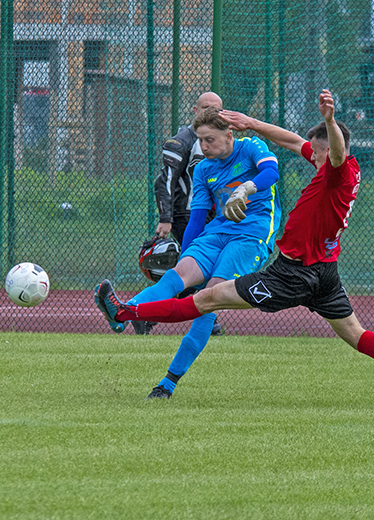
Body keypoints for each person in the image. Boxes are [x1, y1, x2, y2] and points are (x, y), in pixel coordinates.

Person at [95, 89, 374, 408]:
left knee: (206, 300)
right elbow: (292, 141)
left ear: (330, 151)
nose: (308, 156)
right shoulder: (333, 165)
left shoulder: (337, 169)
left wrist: (329, 120)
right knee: (356, 334)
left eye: (316, 153)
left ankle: (126, 315)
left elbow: (333, 152)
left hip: (292, 273)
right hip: (325, 271)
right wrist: (253, 122)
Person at [95, 106, 283, 399]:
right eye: (200, 141)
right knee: (176, 276)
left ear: (229, 134)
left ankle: (167, 383)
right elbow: (197, 216)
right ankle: (121, 312)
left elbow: (271, 172)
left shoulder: (251, 148)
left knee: (210, 295)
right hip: (217, 232)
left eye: (210, 140)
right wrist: (188, 251)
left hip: (252, 234)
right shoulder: (204, 169)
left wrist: (247, 188)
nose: (204, 147)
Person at [132, 92, 224, 336]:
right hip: (188, 215)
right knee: (197, 269)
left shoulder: (224, 139)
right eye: (205, 108)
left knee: (199, 270)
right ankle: (204, 321)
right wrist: (166, 218)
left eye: (216, 109)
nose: (210, 113)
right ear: (195, 110)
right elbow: (165, 181)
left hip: (214, 216)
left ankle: (146, 314)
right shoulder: (183, 140)